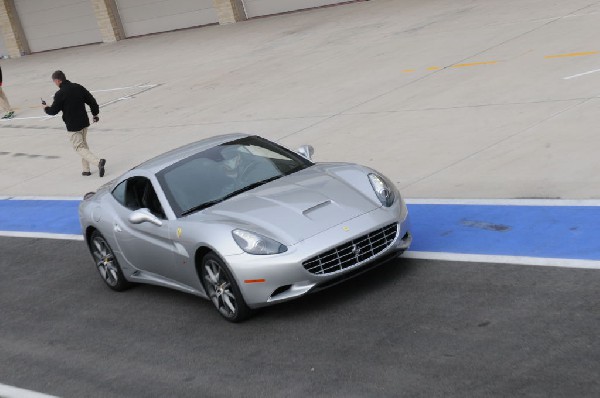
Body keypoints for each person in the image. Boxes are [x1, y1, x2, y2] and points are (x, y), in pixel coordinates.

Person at [43, 70, 106, 177]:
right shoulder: (78, 87)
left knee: (78, 147)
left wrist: (46, 108)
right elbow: (91, 100)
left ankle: (98, 162)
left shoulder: (60, 94)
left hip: (73, 125)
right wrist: (95, 114)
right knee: (84, 146)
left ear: (58, 80)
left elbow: (53, 111)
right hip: (84, 122)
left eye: (54, 82)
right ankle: (86, 170)